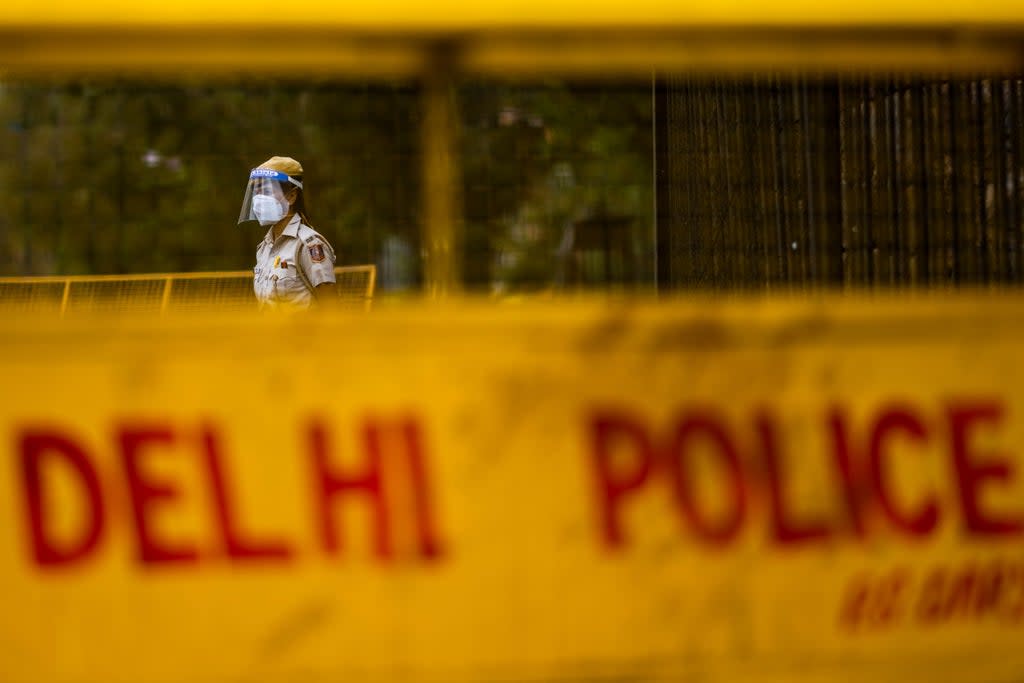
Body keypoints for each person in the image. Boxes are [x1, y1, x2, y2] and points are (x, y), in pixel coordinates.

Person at [237, 156, 336, 309]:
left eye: (267, 190)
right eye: (257, 191)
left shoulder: (308, 244)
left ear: (291, 196)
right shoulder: (263, 248)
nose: (259, 199)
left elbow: (331, 307)